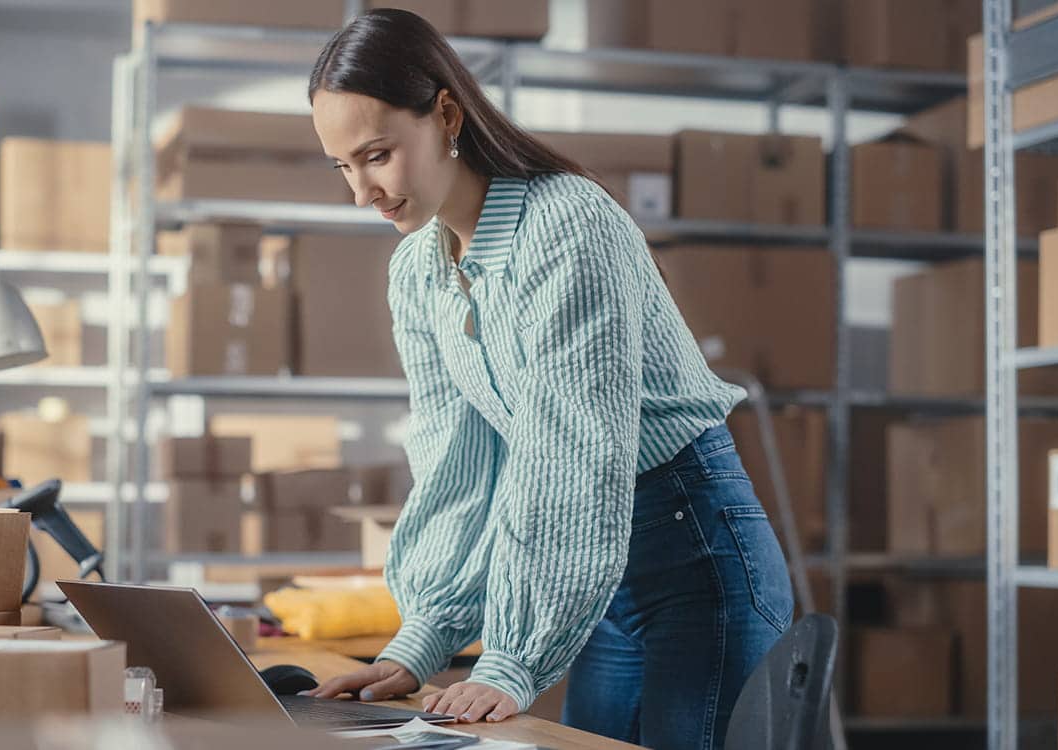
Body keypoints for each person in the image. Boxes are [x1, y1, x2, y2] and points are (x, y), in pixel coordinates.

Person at [299, 9, 794, 749]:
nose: (361, 192)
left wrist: (512, 660)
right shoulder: (417, 271)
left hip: (696, 555)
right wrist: (420, 639)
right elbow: (457, 463)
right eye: (343, 166)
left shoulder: (566, 227)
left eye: (376, 155)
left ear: (445, 114)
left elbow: (572, 453)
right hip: (602, 567)